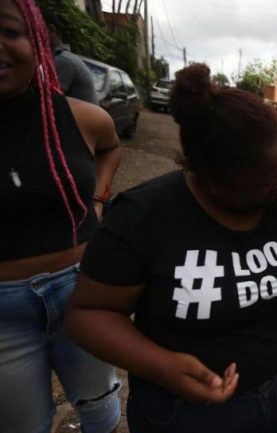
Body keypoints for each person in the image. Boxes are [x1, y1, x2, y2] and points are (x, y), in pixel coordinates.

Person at [65, 63, 277, 433]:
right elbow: (89, 315)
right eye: (266, 180)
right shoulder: (144, 216)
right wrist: (163, 366)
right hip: (185, 413)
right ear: (212, 182)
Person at [0, 1, 122, 432]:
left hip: (82, 290)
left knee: (101, 410)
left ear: (36, 39)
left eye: (9, 32)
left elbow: (111, 148)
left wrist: (99, 199)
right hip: (4, 316)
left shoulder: (79, 117)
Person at [39, 6, 98, 104]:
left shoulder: (63, 61)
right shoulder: (64, 58)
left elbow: (47, 104)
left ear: (51, 30)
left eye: (35, 31)